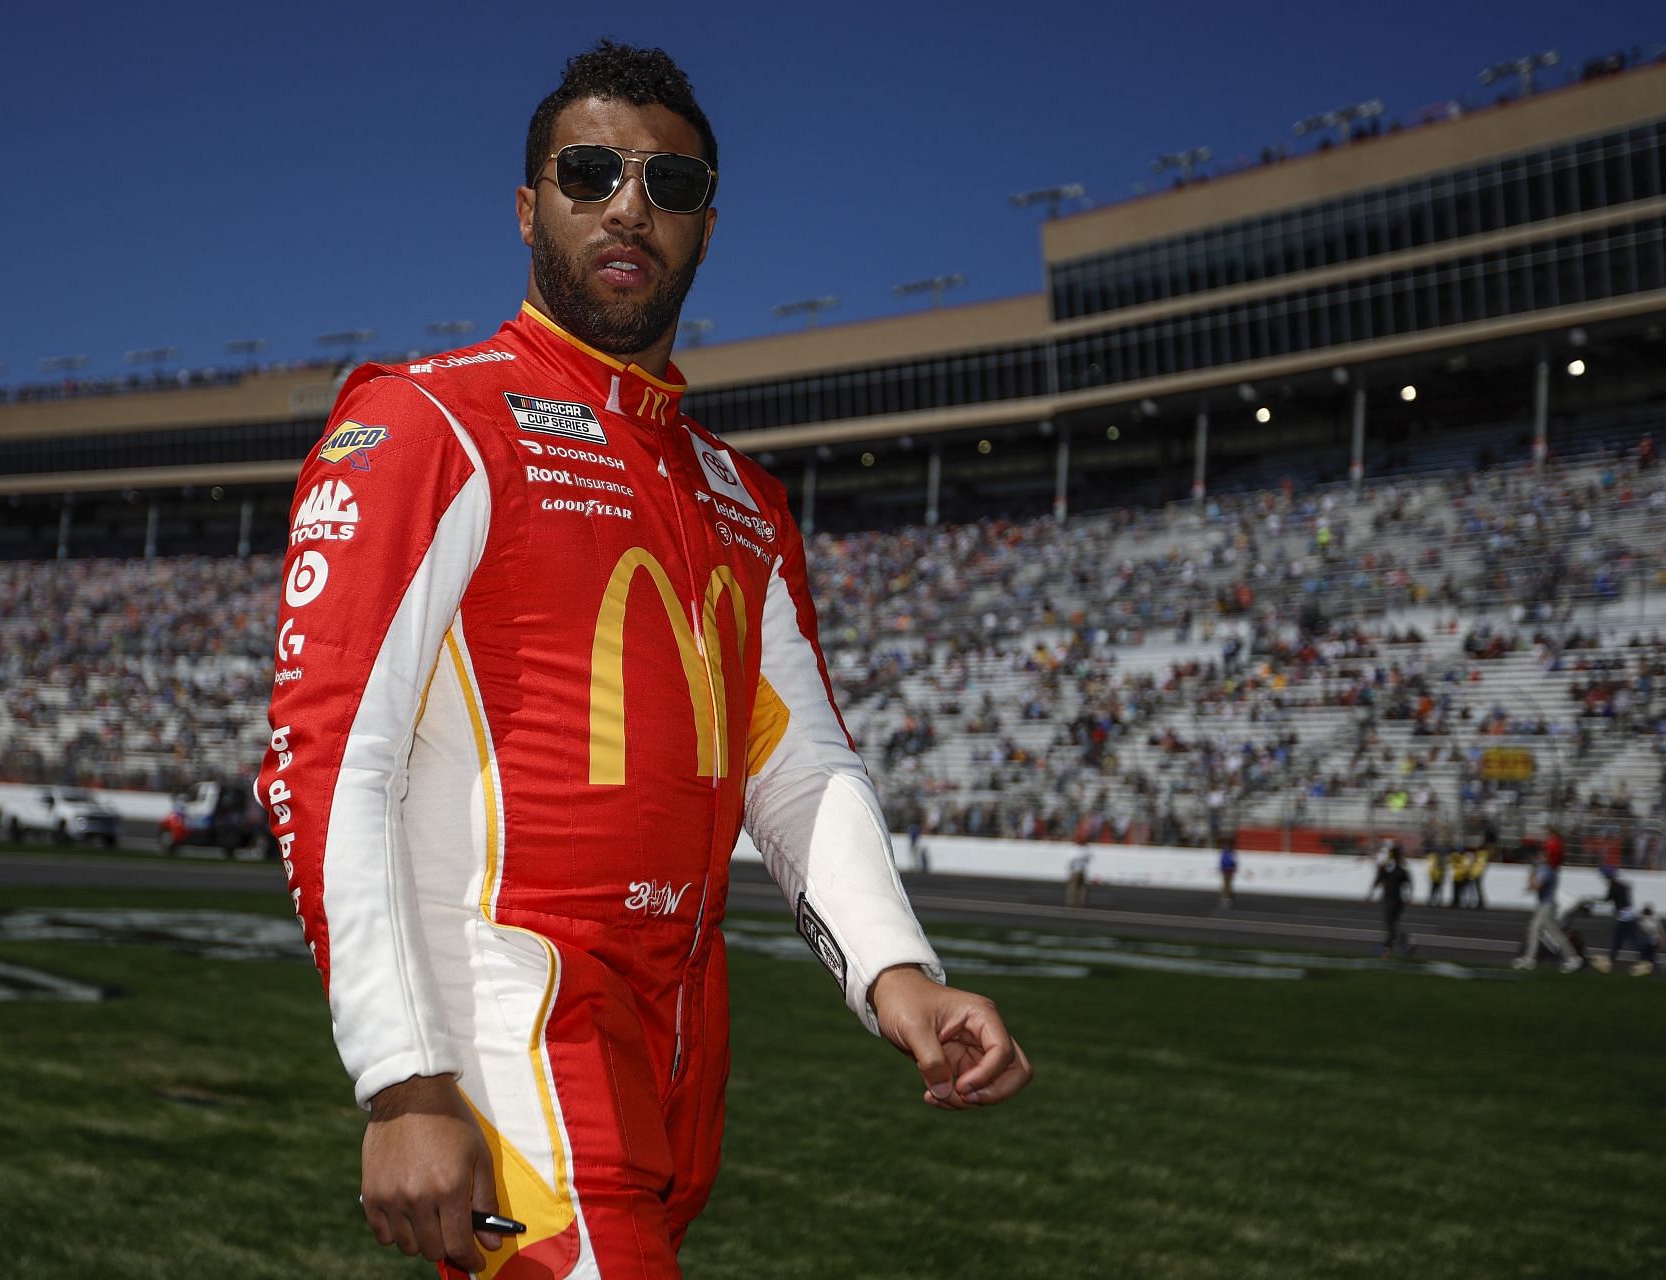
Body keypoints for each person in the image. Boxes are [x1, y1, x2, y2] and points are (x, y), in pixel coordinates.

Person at [257, 42, 1031, 1278]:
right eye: (591, 170)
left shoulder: (742, 497)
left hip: (681, 1030)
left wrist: (901, 976)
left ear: (707, 227)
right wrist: (402, 1078)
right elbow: (324, 757)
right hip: (515, 1010)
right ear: (530, 205)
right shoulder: (430, 419)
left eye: (669, 185)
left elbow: (801, 766)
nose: (630, 204)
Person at [1512, 854, 1584, 972]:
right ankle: (1572, 957)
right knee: (1553, 932)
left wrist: (1532, 871)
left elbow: (1536, 886)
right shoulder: (1544, 869)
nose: (1539, 857)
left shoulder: (1547, 870)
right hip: (1544, 905)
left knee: (1535, 928)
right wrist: (1533, 871)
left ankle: (1530, 958)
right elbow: (1531, 885)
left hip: (1546, 905)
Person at [1368, 842, 1416, 958]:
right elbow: (1409, 882)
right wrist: (1408, 896)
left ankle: (1402, 944)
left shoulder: (1388, 866)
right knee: (1392, 924)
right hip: (1399, 900)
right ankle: (1390, 948)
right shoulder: (1401, 867)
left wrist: (1370, 893)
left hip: (1390, 899)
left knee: (1391, 925)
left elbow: (1378, 879)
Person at [1066, 839, 1093, 908]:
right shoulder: (1085, 850)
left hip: (1077, 870)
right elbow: (1089, 857)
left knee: (1075, 887)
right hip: (1080, 870)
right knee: (1080, 887)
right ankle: (1079, 902)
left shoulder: (1076, 850)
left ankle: (1073, 902)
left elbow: (1071, 860)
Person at [1217, 839, 1238, 908]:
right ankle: (1227, 898)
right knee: (1227, 884)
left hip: (1226, 870)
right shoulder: (1231, 853)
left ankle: (1227, 897)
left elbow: (1221, 861)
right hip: (1228, 870)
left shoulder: (1225, 852)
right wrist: (1234, 867)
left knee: (1227, 884)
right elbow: (1233, 862)